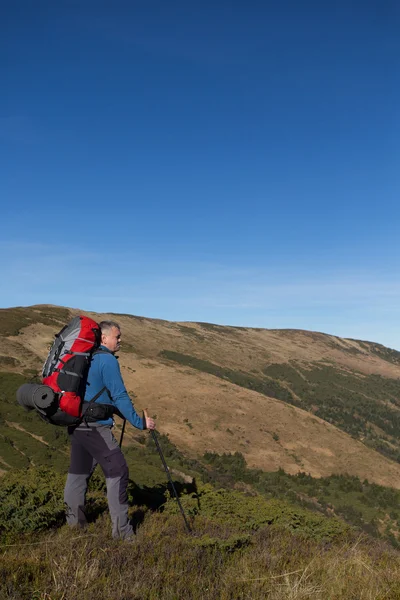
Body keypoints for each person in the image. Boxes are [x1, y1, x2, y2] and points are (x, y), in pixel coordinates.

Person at [64, 320, 155, 540]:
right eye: (118, 337)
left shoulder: (87, 358)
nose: (120, 341)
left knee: (78, 475)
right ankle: (122, 533)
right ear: (104, 338)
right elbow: (120, 396)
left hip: (77, 424)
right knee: (118, 471)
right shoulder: (106, 360)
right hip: (96, 428)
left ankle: (74, 527)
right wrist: (140, 422)